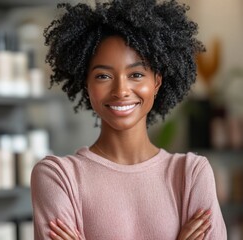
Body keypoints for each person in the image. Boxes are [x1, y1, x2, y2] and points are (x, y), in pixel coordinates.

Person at [30, 0, 227, 239]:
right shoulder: (57, 176)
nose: (121, 90)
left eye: (136, 74)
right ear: (86, 83)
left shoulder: (191, 173)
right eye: (103, 75)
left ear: (156, 81)